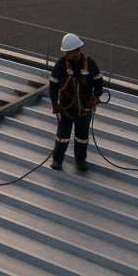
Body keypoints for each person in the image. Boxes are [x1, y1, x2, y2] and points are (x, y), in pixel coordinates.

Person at [48, 33, 104, 172]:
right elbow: (53, 83)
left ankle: (80, 161)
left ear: (79, 49)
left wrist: (96, 96)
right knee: (62, 136)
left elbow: (98, 81)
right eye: (70, 52)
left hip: (84, 109)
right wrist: (54, 102)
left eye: (75, 51)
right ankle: (57, 160)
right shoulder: (61, 65)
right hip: (66, 108)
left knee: (82, 137)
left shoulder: (89, 63)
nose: (73, 54)